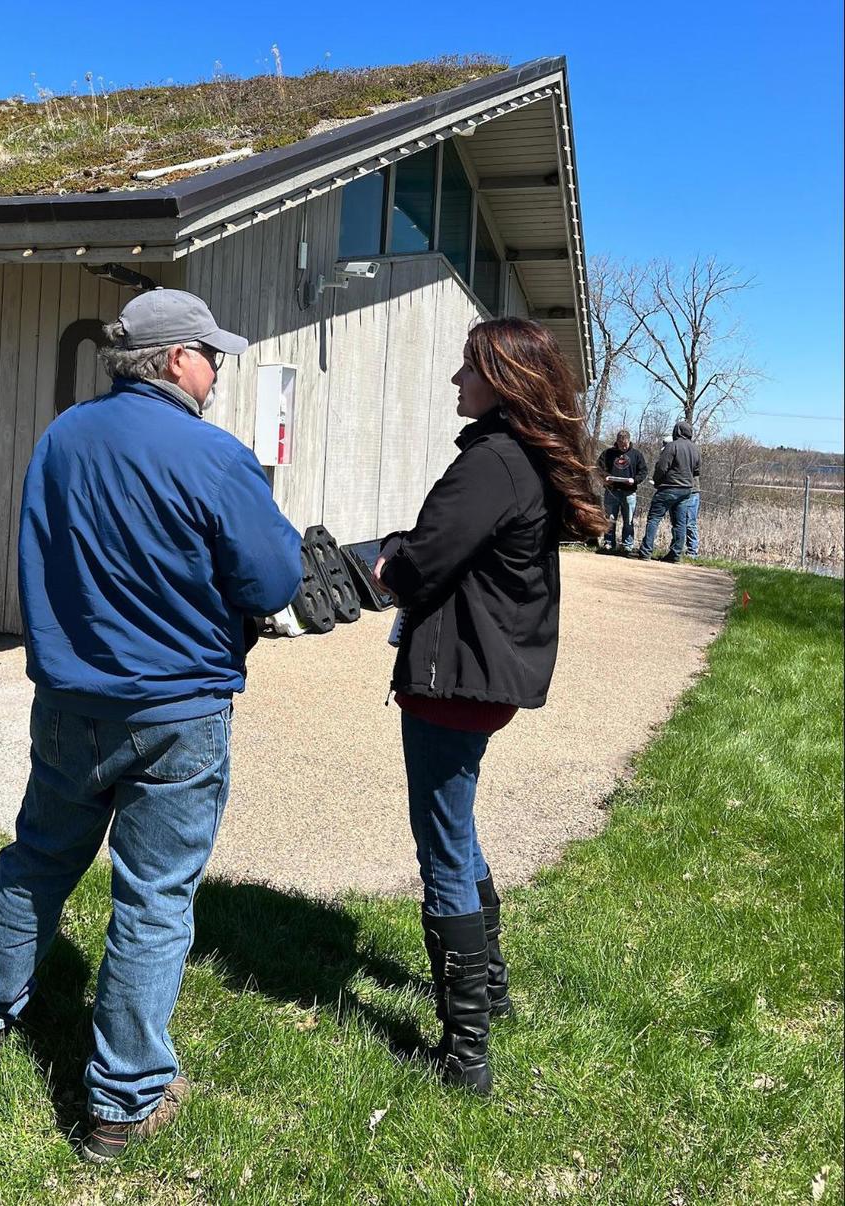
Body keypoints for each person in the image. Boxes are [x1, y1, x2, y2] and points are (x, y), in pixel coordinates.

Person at [0, 288, 302, 1162]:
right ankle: (121, 1099)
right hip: (178, 711)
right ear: (176, 360)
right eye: (210, 354)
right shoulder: (214, 455)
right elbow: (274, 582)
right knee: (153, 899)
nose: (218, 369)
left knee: (38, 857)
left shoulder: (62, 437)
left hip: (70, 699)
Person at [372, 318, 604, 1095]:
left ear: (503, 379)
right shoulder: (517, 459)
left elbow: (427, 559)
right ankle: (492, 993)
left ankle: (465, 1054)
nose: (455, 382)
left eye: (467, 369)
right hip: (481, 678)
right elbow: (456, 548)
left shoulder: (495, 462)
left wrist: (386, 558)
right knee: (458, 828)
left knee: (440, 847)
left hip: (459, 681)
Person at [637, 420, 701, 562]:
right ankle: (675, 554)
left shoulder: (672, 446)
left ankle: (646, 551)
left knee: (654, 519)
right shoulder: (695, 449)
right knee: (680, 523)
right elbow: (697, 470)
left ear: (676, 431)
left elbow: (661, 467)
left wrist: (657, 482)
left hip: (669, 487)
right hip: (686, 490)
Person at [596, 428, 648, 553]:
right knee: (610, 518)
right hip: (612, 490)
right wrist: (605, 478)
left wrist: (634, 480)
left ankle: (627, 545)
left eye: (625, 445)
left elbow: (643, 471)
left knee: (628, 520)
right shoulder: (608, 453)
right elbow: (598, 467)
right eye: (620, 445)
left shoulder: (636, 455)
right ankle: (609, 543)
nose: (623, 447)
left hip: (629, 492)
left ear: (629, 442)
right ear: (617, 442)